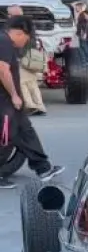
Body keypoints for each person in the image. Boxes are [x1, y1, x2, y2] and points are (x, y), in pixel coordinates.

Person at [0, 15, 63, 189]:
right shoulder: (4, 41)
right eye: (26, 39)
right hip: (4, 101)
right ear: (20, 33)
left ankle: (43, 168)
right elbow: (2, 70)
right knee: (7, 138)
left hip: (11, 103)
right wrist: (14, 94)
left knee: (26, 132)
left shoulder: (6, 43)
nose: (25, 43)